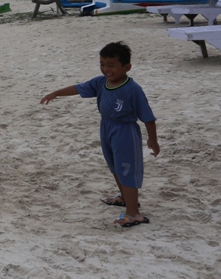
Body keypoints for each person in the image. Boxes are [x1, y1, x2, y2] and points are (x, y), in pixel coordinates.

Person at [40, 41, 160, 227]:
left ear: (126, 67)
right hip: (106, 127)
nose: (106, 69)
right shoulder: (101, 82)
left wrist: (153, 139)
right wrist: (56, 93)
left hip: (125, 131)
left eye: (111, 65)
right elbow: (79, 88)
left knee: (126, 169)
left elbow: (148, 117)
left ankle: (134, 213)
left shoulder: (132, 89)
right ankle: (125, 198)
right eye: (102, 64)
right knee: (114, 166)